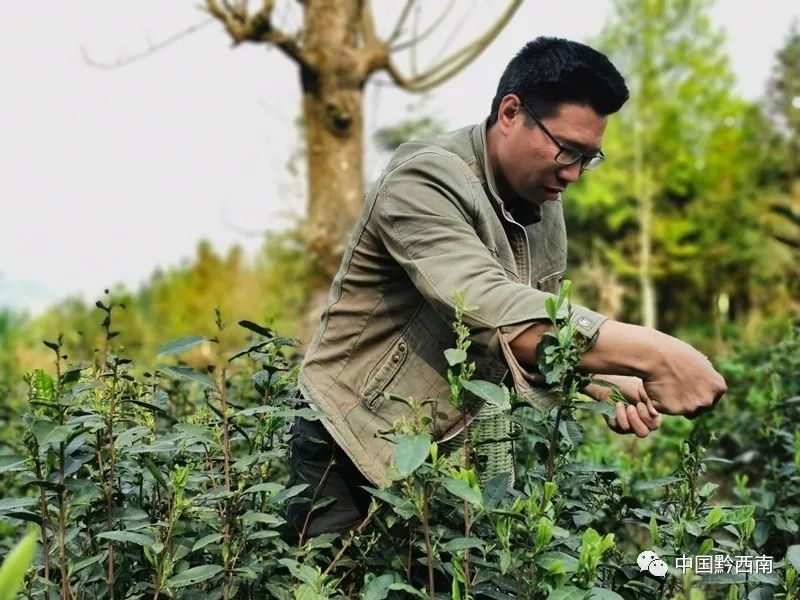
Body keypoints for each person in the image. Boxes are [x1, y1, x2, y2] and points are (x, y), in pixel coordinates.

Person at [282, 37, 727, 540]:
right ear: (511, 112)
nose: (575, 173)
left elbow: (535, 327)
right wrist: (655, 353)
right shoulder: (423, 180)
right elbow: (491, 309)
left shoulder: (541, 198)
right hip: (350, 437)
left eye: (589, 157)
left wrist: (599, 378)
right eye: (566, 150)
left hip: (446, 441)